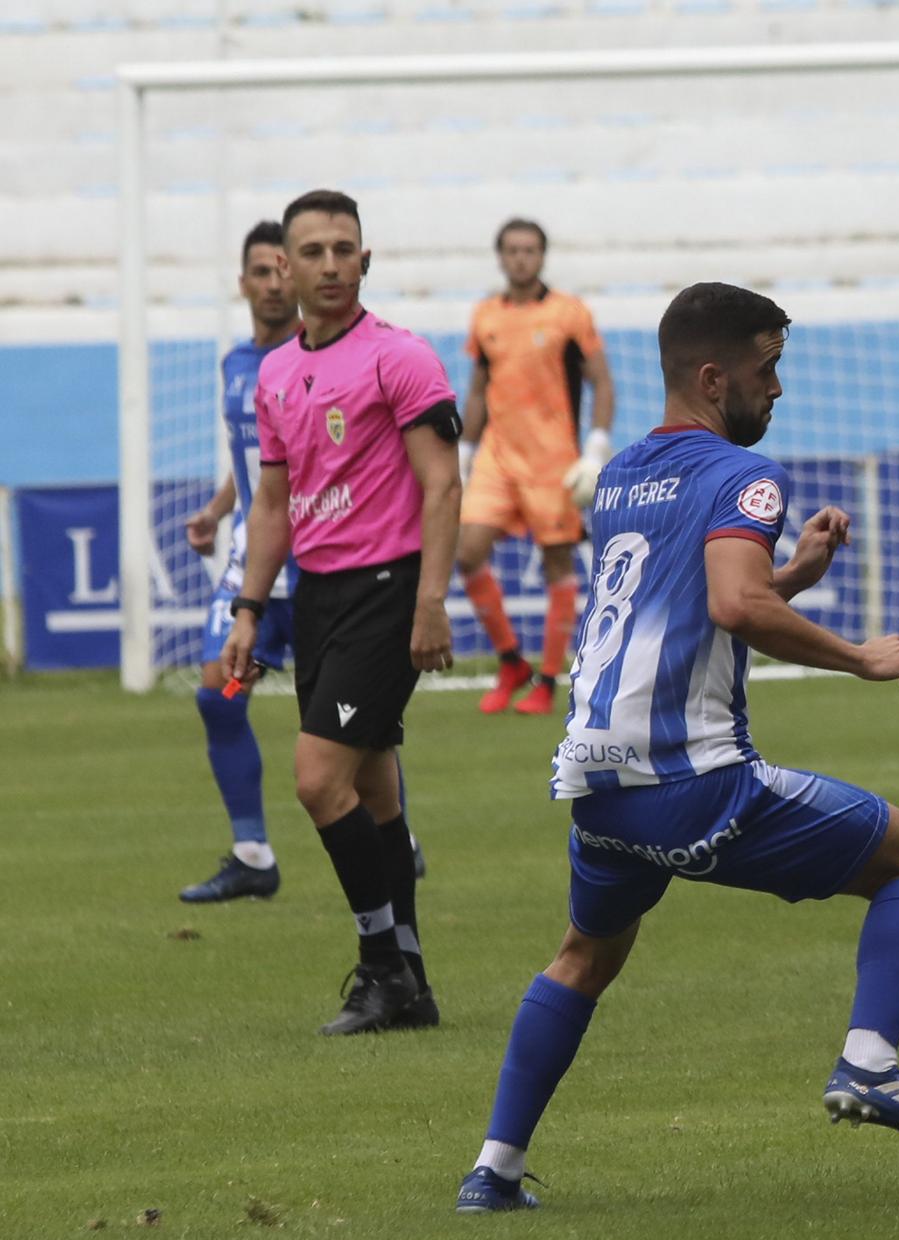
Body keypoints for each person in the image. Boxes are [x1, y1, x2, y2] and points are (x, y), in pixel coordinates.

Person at [455, 282, 899, 1214]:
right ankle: (870, 1064)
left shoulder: (620, 476)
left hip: (598, 784)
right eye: (766, 370)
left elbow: (702, 605)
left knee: (584, 954)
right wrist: (858, 655)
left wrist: (792, 579)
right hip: (695, 780)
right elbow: (736, 607)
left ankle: (493, 1169)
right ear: (712, 375)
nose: (777, 391)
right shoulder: (745, 477)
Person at [222, 189, 463, 1035]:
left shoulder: (401, 358)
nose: (330, 265)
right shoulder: (277, 372)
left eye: (344, 249)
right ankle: (415, 985)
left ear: (367, 259)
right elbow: (273, 502)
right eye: (313, 251)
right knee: (373, 792)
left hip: (390, 590)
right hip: (317, 597)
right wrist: (250, 608)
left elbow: (442, 483)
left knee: (317, 781)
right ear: (284, 267)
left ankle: (379, 965)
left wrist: (431, 600)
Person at [176, 222, 300, 903]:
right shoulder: (234, 363)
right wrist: (221, 509)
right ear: (244, 282)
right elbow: (253, 459)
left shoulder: (316, 360)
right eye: (262, 271)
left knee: (348, 727)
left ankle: (392, 837)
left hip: (319, 567)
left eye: (284, 270)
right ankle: (253, 854)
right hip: (251, 569)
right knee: (219, 697)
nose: (275, 283)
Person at [457, 218, 617, 716]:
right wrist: (464, 450)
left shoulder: (569, 313)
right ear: (500, 256)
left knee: (556, 565)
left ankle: (547, 679)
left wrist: (595, 449)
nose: (521, 258)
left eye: (529, 249)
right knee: (467, 552)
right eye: (512, 249)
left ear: (542, 256)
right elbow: (480, 387)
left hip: (554, 462)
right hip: (498, 458)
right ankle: (510, 661)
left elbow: (602, 381)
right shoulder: (485, 316)